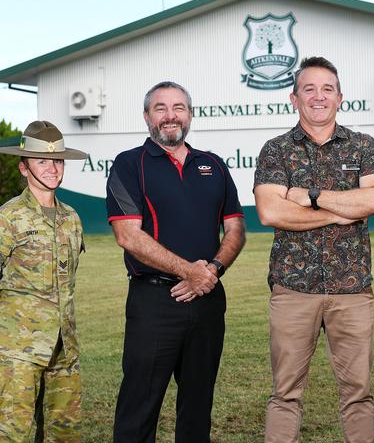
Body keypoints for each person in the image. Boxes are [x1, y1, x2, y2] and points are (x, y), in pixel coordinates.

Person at [254, 56, 374, 443]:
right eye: (309, 89)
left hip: (352, 291)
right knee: (285, 393)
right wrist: (341, 211)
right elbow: (270, 211)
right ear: (293, 98)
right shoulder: (276, 150)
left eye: (327, 89)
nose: (318, 97)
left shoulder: (364, 146)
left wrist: (311, 197)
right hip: (293, 289)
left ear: (340, 98)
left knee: (358, 393)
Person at [105, 81, 246, 443]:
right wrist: (189, 272)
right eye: (161, 108)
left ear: (190, 114)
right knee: (139, 407)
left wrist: (211, 272)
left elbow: (235, 229)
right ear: (147, 116)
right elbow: (128, 236)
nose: (171, 116)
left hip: (208, 300)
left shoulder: (213, 165)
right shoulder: (128, 164)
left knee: (198, 407)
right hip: (154, 302)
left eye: (179, 107)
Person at [0, 121, 87, 441]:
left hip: (64, 347)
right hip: (17, 351)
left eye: (58, 161)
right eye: (42, 161)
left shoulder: (72, 217)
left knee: (64, 432)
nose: (52, 168)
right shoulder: (8, 218)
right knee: (13, 434)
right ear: (24, 168)